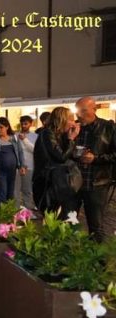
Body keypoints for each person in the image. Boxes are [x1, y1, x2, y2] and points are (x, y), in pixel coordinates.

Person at [71, 96, 116, 242]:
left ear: (94, 109)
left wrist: (96, 158)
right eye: (78, 111)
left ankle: (96, 262)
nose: (79, 115)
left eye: (84, 111)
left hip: (96, 184)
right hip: (74, 183)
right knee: (68, 221)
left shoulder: (108, 128)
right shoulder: (74, 128)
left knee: (96, 226)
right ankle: (66, 256)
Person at [33, 107, 79, 214]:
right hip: (48, 184)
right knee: (53, 218)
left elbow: (68, 155)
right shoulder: (47, 134)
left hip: (59, 182)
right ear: (62, 119)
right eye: (71, 120)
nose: (73, 123)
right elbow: (61, 157)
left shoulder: (61, 135)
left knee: (62, 218)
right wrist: (71, 139)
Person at [0, 117, 27, 204]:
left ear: (7, 127)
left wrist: (22, 166)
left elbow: (20, 152)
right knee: (2, 191)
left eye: (1, 127)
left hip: (13, 171)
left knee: (11, 192)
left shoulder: (13, 138)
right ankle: (1, 212)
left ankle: (9, 212)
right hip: (0, 171)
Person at [17, 115, 38, 209]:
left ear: (30, 124)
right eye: (22, 123)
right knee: (16, 190)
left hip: (29, 166)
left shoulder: (35, 136)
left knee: (27, 190)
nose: (24, 125)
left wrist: (24, 140)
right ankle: (16, 210)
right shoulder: (15, 135)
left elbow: (35, 150)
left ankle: (28, 210)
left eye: (26, 123)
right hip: (17, 166)